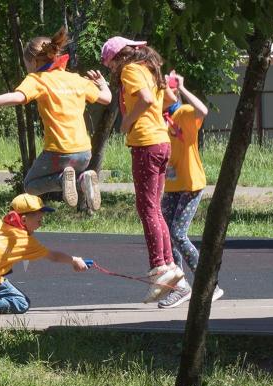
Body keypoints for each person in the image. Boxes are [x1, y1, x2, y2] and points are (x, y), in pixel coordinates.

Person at [0, 27, 112, 211]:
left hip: (58, 152)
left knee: (31, 185)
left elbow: (18, 98)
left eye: (26, 63)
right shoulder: (75, 79)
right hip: (83, 153)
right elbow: (107, 99)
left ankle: (63, 180)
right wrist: (101, 85)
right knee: (75, 174)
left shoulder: (37, 79)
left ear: (33, 61)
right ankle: (83, 178)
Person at [100, 36, 183, 303]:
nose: (110, 69)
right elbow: (170, 98)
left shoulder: (130, 69)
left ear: (117, 57)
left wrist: (127, 123)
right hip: (161, 141)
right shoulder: (149, 67)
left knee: (146, 208)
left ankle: (159, 267)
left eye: (109, 63)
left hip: (146, 143)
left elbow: (147, 99)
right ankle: (169, 267)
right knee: (155, 209)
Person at [0, 193, 89, 317]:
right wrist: (74, 260)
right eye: (39, 220)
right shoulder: (25, 240)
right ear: (24, 220)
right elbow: (54, 256)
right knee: (21, 302)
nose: (40, 224)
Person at [157, 71, 223, 309]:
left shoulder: (182, 113)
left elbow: (203, 111)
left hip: (191, 183)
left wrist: (182, 88)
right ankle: (180, 286)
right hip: (172, 185)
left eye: (162, 87)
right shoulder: (158, 117)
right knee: (166, 234)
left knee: (177, 234)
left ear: (172, 92)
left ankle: (209, 284)